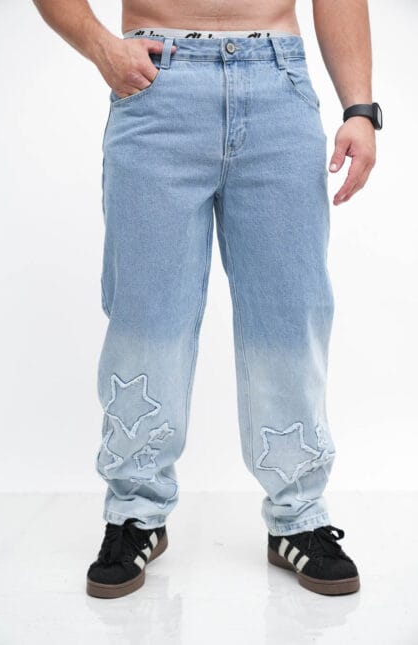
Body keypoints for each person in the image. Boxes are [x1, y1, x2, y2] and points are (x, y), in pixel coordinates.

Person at [33, 0, 382, 599]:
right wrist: (100, 46)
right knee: (146, 313)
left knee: (291, 313)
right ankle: (135, 513)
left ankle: (299, 515)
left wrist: (360, 109)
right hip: (156, 85)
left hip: (277, 83)